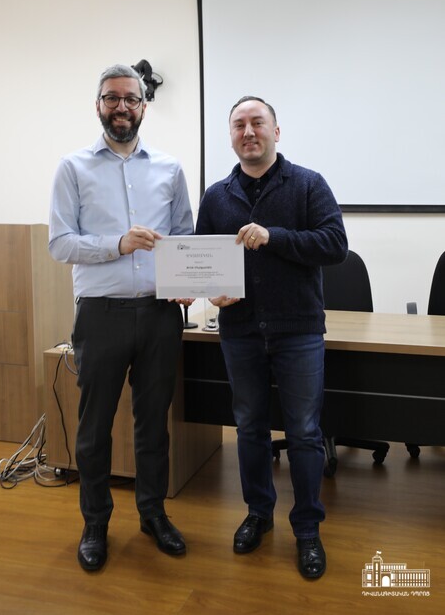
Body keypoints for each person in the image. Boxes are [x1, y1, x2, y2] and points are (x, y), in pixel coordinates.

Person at [195, 95, 348, 579]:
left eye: (257, 122)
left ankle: (307, 529)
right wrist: (210, 291)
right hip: (240, 332)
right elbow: (201, 258)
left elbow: (335, 245)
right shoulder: (216, 196)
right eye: (239, 125)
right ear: (231, 136)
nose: (248, 132)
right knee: (249, 430)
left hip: (298, 330)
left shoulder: (308, 184)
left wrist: (274, 236)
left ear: (275, 132)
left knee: (303, 433)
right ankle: (258, 514)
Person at [49, 64, 194, 571]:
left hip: (159, 315)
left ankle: (153, 515)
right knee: (94, 429)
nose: (122, 107)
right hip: (101, 315)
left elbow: (184, 238)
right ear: (98, 105)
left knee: (153, 426)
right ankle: (95, 524)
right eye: (112, 98)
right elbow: (60, 243)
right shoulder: (72, 168)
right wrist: (118, 244)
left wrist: (188, 283)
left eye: (131, 99)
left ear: (143, 107)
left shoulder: (170, 169)